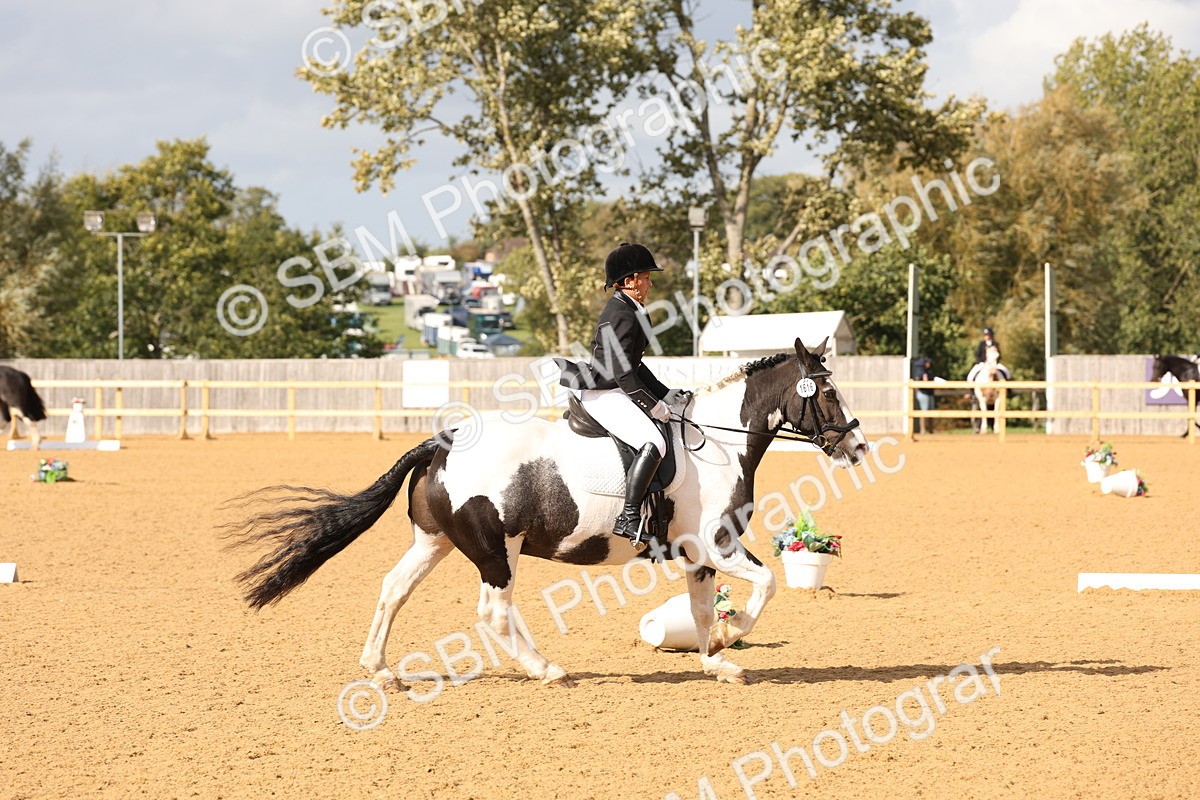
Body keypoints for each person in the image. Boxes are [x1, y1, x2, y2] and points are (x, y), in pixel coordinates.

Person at [557, 242, 685, 543]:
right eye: (645, 276)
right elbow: (623, 374)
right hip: (604, 393)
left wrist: (666, 394)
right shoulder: (621, 314)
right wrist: (652, 406)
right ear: (629, 281)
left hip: (616, 387)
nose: (650, 282)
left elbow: (635, 365)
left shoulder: (632, 309)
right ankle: (628, 516)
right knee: (654, 440)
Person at [913, 357, 935, 434]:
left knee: (931, 412)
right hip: (923, 393)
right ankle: (923, 430)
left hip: (930, 393)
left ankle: (930, 429)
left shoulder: (929, 371)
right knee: (924, 412)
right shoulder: (920, 372)